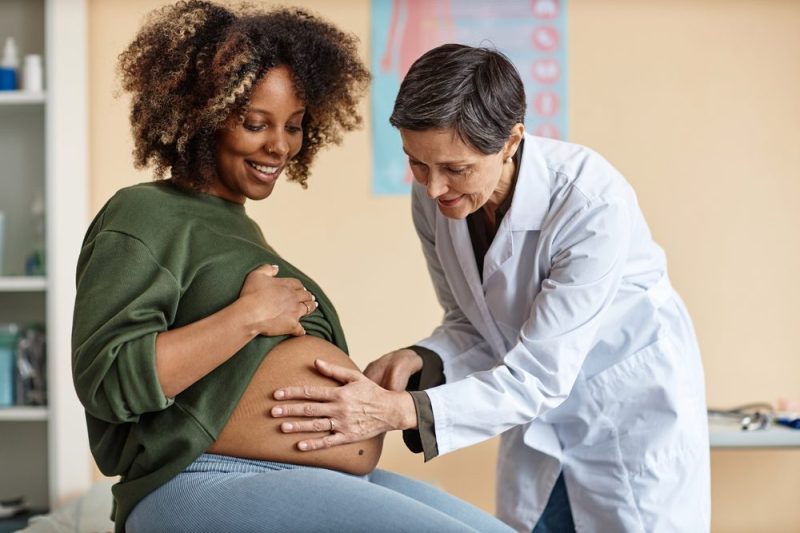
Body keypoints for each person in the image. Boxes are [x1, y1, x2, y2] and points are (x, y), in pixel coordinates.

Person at [71, 5, 514, 532]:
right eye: (255, 123)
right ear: (203, 115)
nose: (279, 146)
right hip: (201, 478)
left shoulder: (237, 229)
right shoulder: (144, 213)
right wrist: (248, 318)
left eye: (294, 126)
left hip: (294, 473)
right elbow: (107, 381)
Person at [272, 44, 711, 532]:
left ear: (510, 141)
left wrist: (400, 411)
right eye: (418, 163)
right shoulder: (434, 198)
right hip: (534, 418)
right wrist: (423, 358)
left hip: (624, 416)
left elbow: (540, 375)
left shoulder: (591, 204)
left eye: (456, 169)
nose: (434, 188)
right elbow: (473, 321)